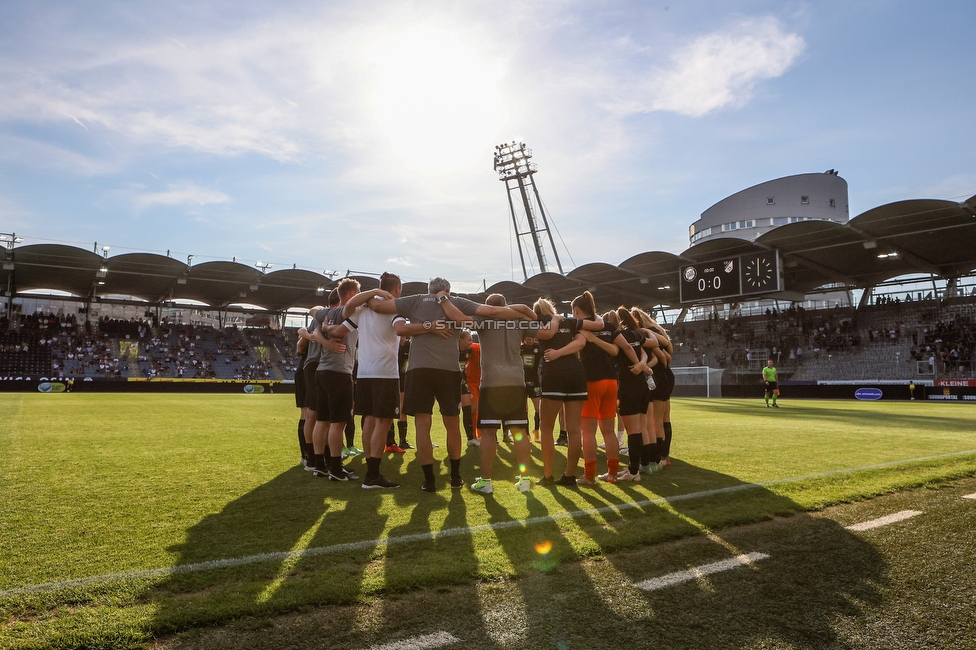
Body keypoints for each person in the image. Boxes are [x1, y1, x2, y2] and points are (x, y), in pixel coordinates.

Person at [370, 277, 533, 492]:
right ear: (448, 290)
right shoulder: (458, 302)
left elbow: (376, 306)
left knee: (422, 425)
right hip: (449, 370)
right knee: (452, 424)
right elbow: (493, 312)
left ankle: (429, 481)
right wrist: (524, 311)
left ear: (430, 289)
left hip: (419, 369)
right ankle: (455, 478)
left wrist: (371, 293)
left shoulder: (415, 300)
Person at [439, 293, 538, 494]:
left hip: (491, 383)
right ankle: (525, 480)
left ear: (487, 307)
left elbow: (459, 319)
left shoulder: (484, 319)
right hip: (516, 381)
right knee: (519, 433)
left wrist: (443, 299)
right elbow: (535, 325)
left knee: (488, 434)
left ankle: (486, 482)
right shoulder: (519, 320)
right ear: (505, 305)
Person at [323, 273, 404, 488]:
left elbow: (340, 329)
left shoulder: (362, 309)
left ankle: (371, 468)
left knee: (369, 419)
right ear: (396, 288)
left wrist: (326, 329)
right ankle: (373, 475)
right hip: (385, 372)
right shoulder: (393, 307)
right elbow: (401, 332)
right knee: (383, 421)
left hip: (364, 372)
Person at [532, 297, 605, 486]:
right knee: (574, 429)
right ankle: (569, 475)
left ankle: (547, 475)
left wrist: (556, 348)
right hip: (576, 375)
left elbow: (548, 335)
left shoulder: (537, 323)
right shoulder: (570, 321)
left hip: (554, 375)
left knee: (547, 428)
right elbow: (599, 324)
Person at [574, 292, 622, 485]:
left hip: (592, 381)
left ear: (576, 310)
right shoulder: (608, 326)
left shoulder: (581, 327)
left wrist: (591, 340)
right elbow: (615, 350)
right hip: (611, 381)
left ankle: (589, 475)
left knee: (588, 432)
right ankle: (612, 474)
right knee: (609, 431)